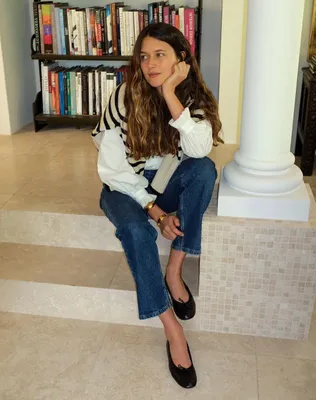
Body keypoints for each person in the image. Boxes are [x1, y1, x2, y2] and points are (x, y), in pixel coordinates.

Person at [92, 22, 221, 389]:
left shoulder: (191, 98)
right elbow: (114, 172)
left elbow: (198, 150)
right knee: (135, 230)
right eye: (144, 56)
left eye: (160, 55)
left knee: (203, 170)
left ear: (181, 59)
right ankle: (171, 328)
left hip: (165, 182)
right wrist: (156, 212)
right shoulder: (122, 98)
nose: (149, 64)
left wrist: (169, 93)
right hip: (124, 188)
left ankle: (175, 269)